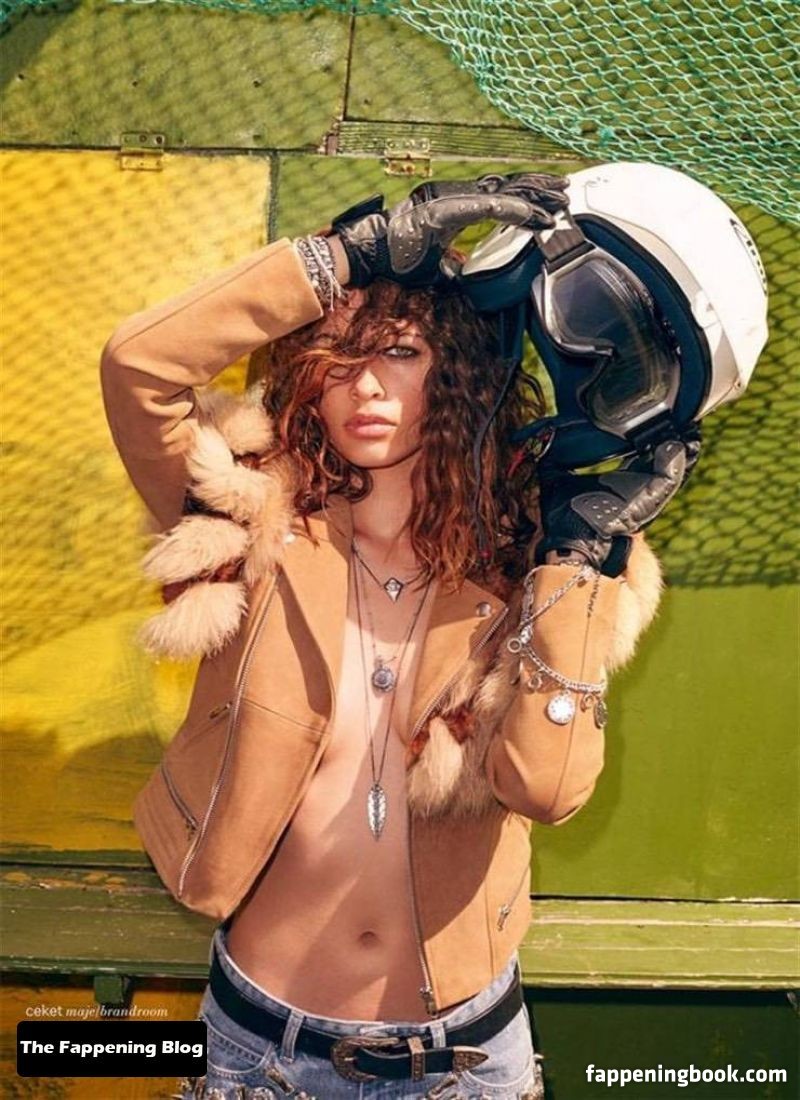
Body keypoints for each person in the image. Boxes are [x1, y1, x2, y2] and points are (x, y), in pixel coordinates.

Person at [99, 173, 687, 1100]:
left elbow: (548, 788)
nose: (365, 385)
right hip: (257, 1051)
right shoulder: (247, 519)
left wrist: (574, 565)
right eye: (335, 357)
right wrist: (343, 257)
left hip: (467, 1061)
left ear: (453, 372)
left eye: (401, 352)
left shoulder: (524, 560)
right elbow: (138, 366)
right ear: (303, 376)